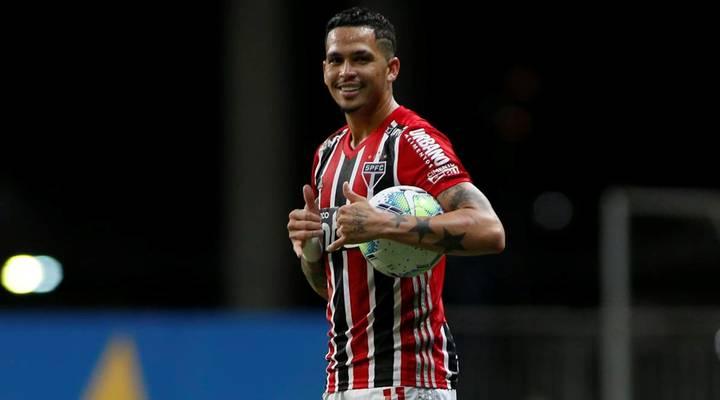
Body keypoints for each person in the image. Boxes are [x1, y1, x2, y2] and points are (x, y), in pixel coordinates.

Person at [287, 7, 505, 400]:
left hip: (407, 380)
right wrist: (310, 250)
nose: (346, 71)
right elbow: (333, 290)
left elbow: (490, 231)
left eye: (361, 58)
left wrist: (384, 225)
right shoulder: (328, 154)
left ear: (392, 68)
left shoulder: (412, 141)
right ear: (323, 69)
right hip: (341, 381)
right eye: (336, 60)